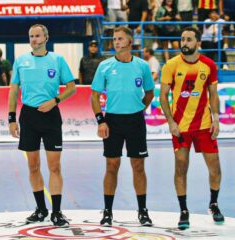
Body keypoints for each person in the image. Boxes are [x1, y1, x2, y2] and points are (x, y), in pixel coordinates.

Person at [8, 24, 76, 227]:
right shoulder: (21, 61)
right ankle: (40, 209)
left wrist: (55, 101)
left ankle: (56, 212)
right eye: (31, 36)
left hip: (51, 116)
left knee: (54, 166)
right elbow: (13, 91)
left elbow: (71, 88)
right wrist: (12, 118)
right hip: (28, 116)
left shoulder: (57, 59)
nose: (34, 39)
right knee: (33, 165)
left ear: (46, 37)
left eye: (37, 36)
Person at [159, 27, 224, 230]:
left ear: (198, 43)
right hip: (181, 127)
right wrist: (171, 122)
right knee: (180, 166)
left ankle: (213, 204)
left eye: (188, 39)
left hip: (204, 125)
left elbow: (213, 94)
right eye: (182, 39)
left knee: (215, 168)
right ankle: (183, 210)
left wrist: (216, 119)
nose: (184, 42)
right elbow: (163, 96)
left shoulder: (209, 65)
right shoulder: (171, 65)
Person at [91, 26, 155, 227]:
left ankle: (143, 211)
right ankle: (108, 211)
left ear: (129, 41)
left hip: (135, 121)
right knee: (112, 165)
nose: (116, 42)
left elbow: (150, 93)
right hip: (112, 121)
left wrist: (137, 109)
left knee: (138, 166)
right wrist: (101, 121)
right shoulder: (105, 66)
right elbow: (94, 96)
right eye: (114, 39)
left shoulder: (142, 66)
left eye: (119, 39)